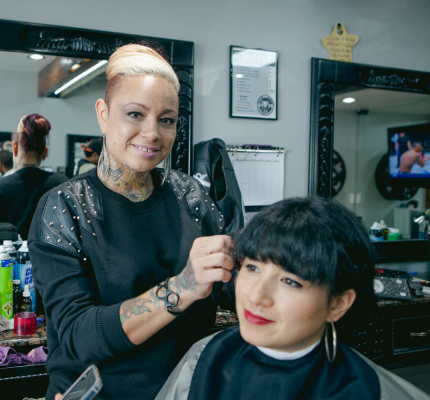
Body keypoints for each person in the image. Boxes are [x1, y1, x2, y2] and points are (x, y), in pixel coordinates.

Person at [28, 44, 238, 399]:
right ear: (104, 114)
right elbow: (79, 335)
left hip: (185, 390)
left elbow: (230, 287)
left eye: (166, 119)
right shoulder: (65, 207)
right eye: (135, 114)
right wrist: (182, 288)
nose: (153, 133)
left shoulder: (190, 196)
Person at [156, 196, 429, 400]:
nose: (256, 296)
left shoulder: (375, 392)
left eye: (290, 281)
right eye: (252, 267)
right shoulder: (204, 360)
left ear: (337, 303)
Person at [0, 114, 67, 238]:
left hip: (6, 257)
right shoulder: (63, 186)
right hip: (53, 257)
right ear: (45, 152)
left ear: (14, 148)